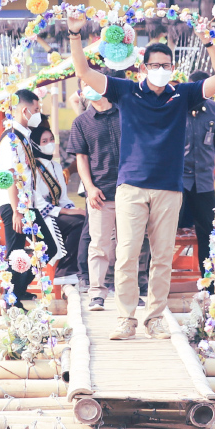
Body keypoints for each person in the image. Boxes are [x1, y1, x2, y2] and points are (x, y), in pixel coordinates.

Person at [67, 9, 215, 341]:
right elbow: (83, 71)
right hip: (131, 187)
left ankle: (154, 317)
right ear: (144, 67)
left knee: (161, 257)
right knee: (126, 254)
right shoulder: (125, 91)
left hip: (169, 189)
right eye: (154, 66)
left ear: (173, 70)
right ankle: (125, 318)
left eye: (166, 67)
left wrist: (209, 42)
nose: (160, 71)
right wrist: (75, 34)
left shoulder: (181, 95)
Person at [66, 81, 121, 311]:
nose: (89, 88)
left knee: (129, 245)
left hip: (129, 189)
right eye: (85, 85)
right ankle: (97, 293)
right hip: (100, 191)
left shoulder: (125, 114)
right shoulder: (81, 122)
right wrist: (89, 187)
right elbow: (82, 158)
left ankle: (127, 291)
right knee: (99, 244)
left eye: (94, 83)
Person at [0, 89, 47, 306]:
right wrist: (16, 210)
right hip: (13, 204)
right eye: (36, 110)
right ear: (25, 110)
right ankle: (11, 299)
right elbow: (9, 176)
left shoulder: (24, 136)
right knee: (16, 252)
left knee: (46, 248)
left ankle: (20, 289)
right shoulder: (11, 139)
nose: (39, 114)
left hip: (26, 205)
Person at [179, 70, 215, 274]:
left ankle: (209, 280)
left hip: (204, 181)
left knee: (207, 232)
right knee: (167, 228)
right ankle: (155, 280)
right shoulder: (176, 108)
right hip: (177, 181)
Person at [30, 122, 84, 285]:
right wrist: (70, 213)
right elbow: (38, 203)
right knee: (77, 222)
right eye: (44, 141)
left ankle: (79, 269)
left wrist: (75, 209)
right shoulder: (32, 168)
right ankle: (64, 270)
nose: (49, 144)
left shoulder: (56, 166)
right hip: (41, 217)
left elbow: (64, 199)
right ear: (36, 145)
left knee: (85, 219)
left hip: (56, 212)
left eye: (51, 140)